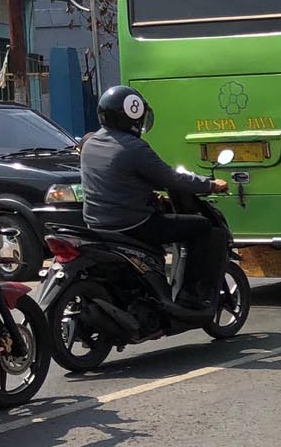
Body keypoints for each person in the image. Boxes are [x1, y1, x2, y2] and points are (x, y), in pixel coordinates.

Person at [80, 86, 228, 310]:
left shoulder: (90, 143)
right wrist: (209, 184)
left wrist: (149, 194)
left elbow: (118, 180)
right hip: (133, 225)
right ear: (133, 114)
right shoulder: (134, 148)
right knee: (203, 227)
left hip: (97, 224)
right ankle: (190, 295)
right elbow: (170, 177)